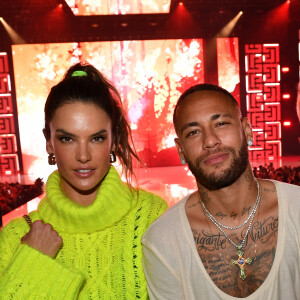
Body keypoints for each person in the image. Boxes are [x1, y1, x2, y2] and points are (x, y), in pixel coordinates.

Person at [0, 62, 167, 299]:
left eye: (97, 138)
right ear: (49, 142)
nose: (83, 156)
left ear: (112, 140)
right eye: (68, 139)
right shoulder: (16, 238)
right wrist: (32, 261)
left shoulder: (151, 217)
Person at [142, 83, 300, 299]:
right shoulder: (163, 240)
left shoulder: (296, 209)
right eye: (194, 132)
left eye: (221, 123)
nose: (210, 141)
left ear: (246, 130)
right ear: (181, 150)